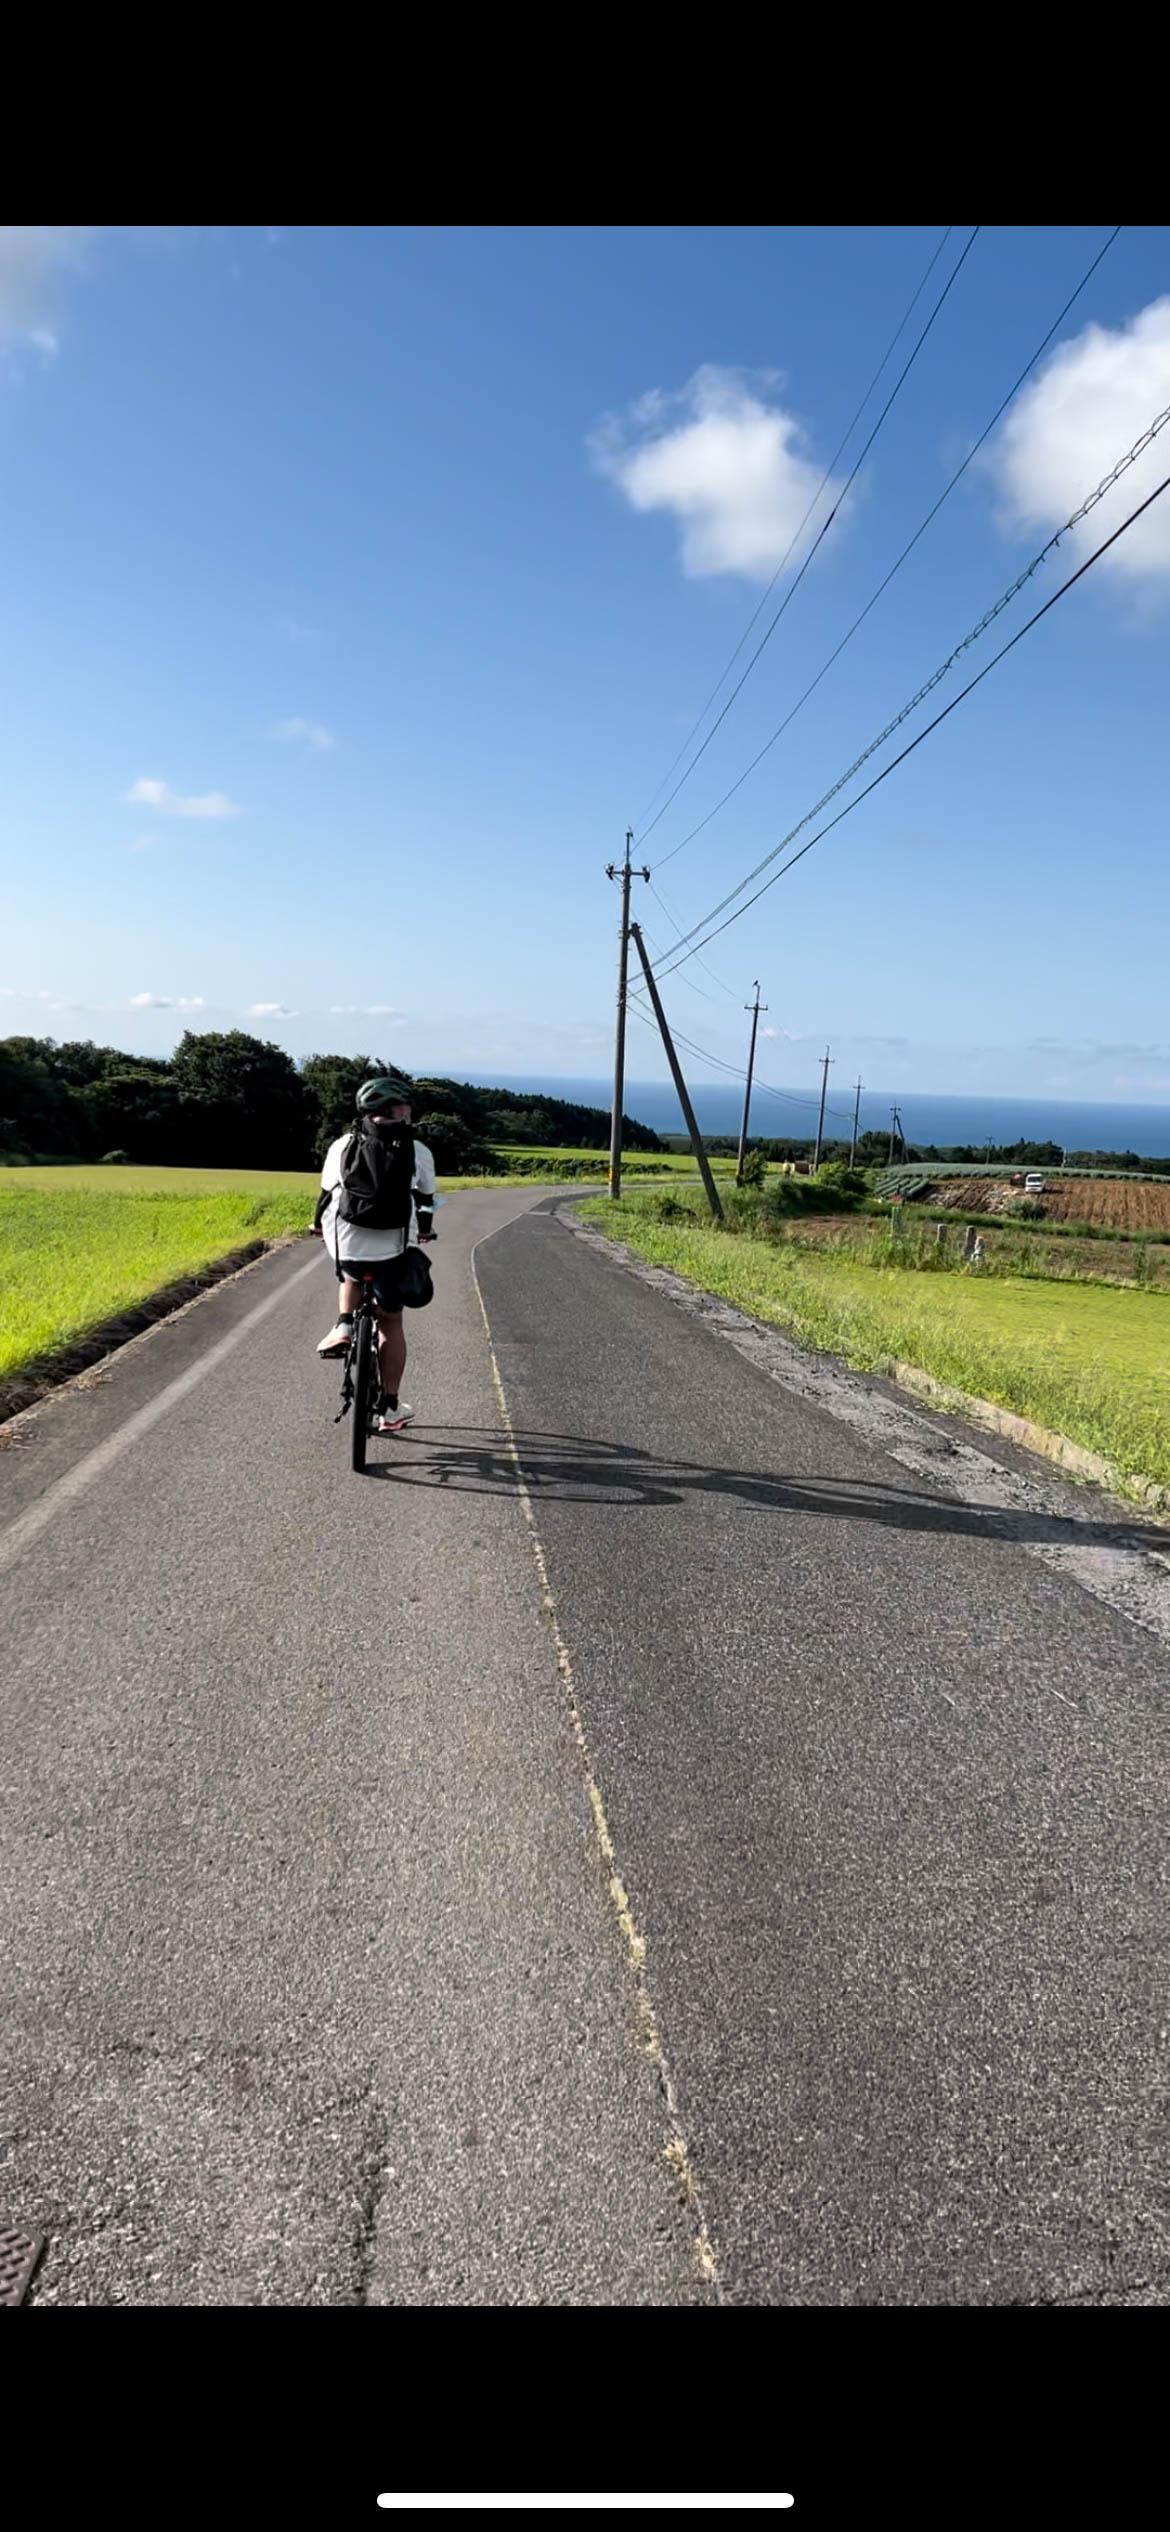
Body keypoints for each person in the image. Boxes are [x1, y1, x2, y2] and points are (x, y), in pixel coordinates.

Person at [313, 1075, 436, 1434]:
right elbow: (426, 1202)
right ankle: (391, 1407)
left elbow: (325, 1195)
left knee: (350, 1272)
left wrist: (318, 1227)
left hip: (346, 1242)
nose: (408, 1110)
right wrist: (425, 1230)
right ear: (391, 1110)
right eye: (403, 1105)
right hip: (393, 1247)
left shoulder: (342, 1144)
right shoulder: (418, 1151)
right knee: (391, 1322)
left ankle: (344, 1325)